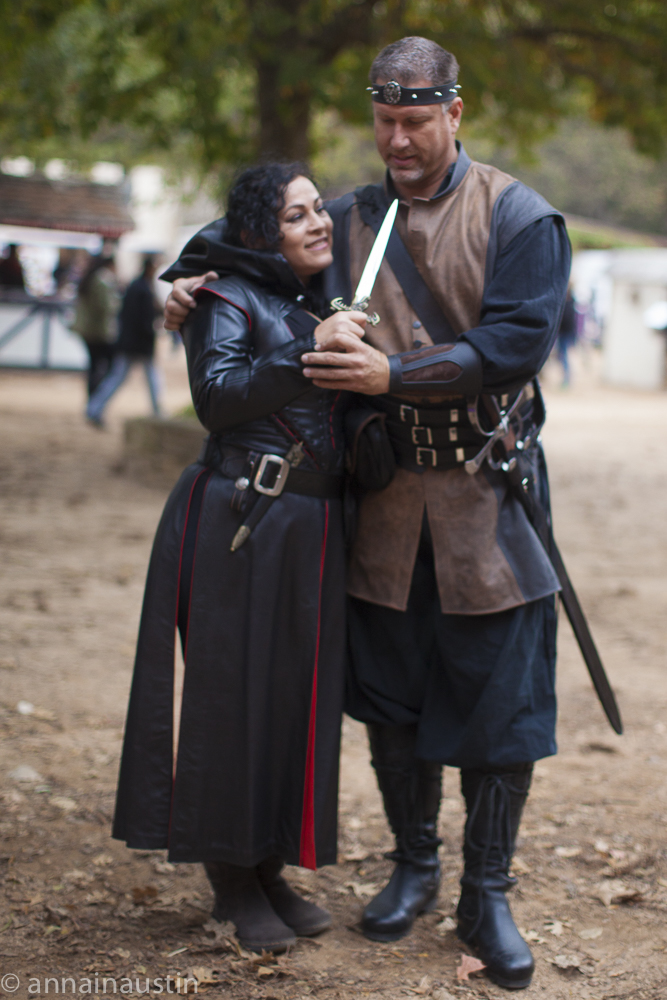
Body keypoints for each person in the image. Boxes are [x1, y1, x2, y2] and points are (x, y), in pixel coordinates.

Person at [164, 37, 570, 991]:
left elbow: (513, 341)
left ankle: (487, 892)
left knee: (496, 707)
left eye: (415, 121)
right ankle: (415, 866)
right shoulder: (346, 218)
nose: (396, 137)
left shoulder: (518, 215)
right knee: (393, 699)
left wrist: (396, 373)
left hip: (486, 495)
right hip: (381, 503)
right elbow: (233, 257)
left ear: (454, 113)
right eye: (384, 120)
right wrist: (183, 289)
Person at [113, 163, 371, 955]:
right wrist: (305, 349)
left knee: (290, 702)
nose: (317, 224)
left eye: (317, 210)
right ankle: (229, 878)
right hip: (243, 519)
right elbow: (218, 399)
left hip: (313, 527)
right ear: (262, 232)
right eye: (295, 217)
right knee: (232, 702)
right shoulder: (222, 298)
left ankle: (264, 865)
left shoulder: (314, 299)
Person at [86, 255, 164, 426]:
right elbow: (139, 318)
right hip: (137, 343)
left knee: (119, 377)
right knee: (131, 377)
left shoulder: (138, 286)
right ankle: (94, 409)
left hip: (131, 342)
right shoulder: (141, 288)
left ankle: (94, 409)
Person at [71, 253, 119, 398]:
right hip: (99, 331)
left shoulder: (89, 278)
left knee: (94, 365)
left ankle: (92, 399)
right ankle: (96, 398)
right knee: (109, 365)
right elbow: (106, 307)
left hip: (87, 331)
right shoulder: (102, 280)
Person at [555, 284, 577, 387]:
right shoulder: (569, 302)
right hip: (562, 333)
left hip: (565, 333)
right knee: (561, 356)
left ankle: (566, 378)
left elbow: (568, 320)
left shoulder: (569, 303)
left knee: (563, 356)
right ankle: (565, 377)